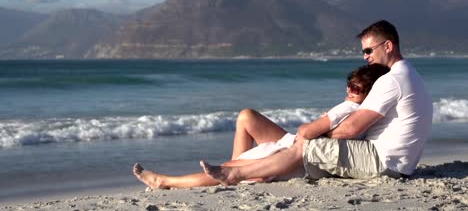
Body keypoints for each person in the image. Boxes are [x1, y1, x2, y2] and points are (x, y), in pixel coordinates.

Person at [201, 20, 433, 185]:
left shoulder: (392, 80)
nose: (365, 56)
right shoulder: (409, 74)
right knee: (304, 143)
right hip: (399, 164)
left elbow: (351, 128)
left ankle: (234, 174)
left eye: (369, 50)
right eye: (364, 51)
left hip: (383, 163)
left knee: (307, 145)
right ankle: (238, 170)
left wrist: (317, 135)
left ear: (389, 46)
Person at [133, 63, 390, 189]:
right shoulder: (363, 110)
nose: (348, 89)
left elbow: (307, 133)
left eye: (355, 87)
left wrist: (315, 124)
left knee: (227, 169)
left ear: (368, 92)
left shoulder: (351, 109)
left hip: (294, 155)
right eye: (349, 83)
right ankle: (239, 167)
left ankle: (164, 181)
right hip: (292, 146)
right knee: (247, 117)